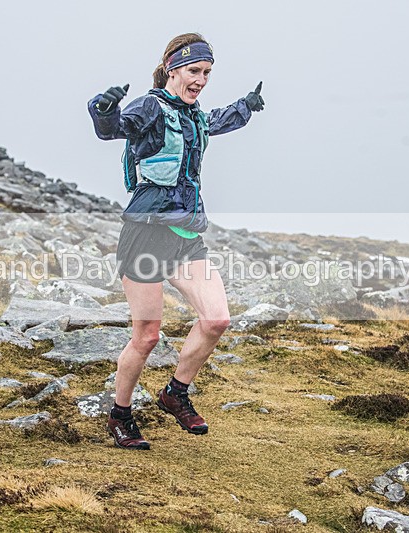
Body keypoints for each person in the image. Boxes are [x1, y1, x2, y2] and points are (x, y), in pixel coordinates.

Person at [87, 32, 265, 450]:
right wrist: (103, 110)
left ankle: (175, 393)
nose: (201, 79)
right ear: (172, 68)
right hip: (145, 236)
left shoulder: (196, 115)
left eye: (206, 72)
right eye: (194, 71)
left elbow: (222, 119)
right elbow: (115, 130)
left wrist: (248, 107)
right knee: (147, 336)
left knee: (217, 319)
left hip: (186, 236)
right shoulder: (150, 106)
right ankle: (120, 415)